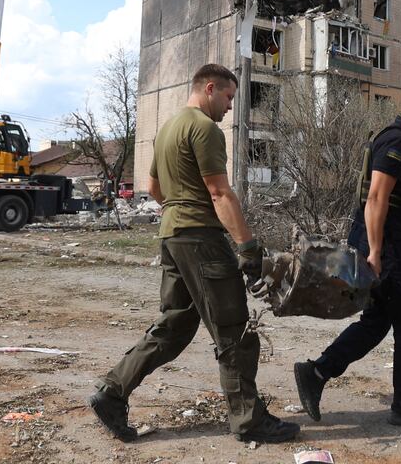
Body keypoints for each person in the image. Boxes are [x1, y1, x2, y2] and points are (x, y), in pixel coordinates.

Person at [89, 64, 298, 444]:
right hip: (202, 240)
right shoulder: (204, 129)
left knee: (175, 326)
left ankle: (111, 392)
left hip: (173, 236)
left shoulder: (167, 129)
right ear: (210, 88)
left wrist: (180, 210)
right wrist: (248, 247)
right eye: (229, 97)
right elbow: (220, 193)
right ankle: (249, 420)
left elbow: (153, 187)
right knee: (234, 330)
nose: (230, 107)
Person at [293, 81, 401, 427]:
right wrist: (375, 252)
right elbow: (376, 199)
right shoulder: (396, 141)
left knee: (376, 322)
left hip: (390, 237)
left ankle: (317, 372)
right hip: (389, 242)